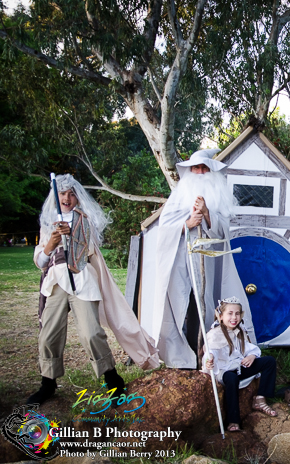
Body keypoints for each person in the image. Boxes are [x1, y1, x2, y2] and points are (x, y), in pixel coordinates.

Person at [29, 174, 159, 405]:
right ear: (56, 196)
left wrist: (72, 236)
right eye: (63, 193)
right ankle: (47, 383)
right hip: (57, 283)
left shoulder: (84, 219)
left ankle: (112, 379)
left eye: (72, 194)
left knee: (91, 333)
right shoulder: (48, 222)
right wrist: (50, 245)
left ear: (78, 197)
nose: (67, 198)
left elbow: (86, 251)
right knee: (49, 334)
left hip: (82, 281)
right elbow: (40, 262)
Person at [149, 148, 251, 368]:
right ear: (190, 170)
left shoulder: (218, 198)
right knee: (181, 307)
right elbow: (164, 229)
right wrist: (187, 224)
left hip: (209, 264)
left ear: (211, 171)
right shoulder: (178, 197)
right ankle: (181, 356)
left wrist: (206, 214)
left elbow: (224, 231)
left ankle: (203, 354)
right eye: (196, 168)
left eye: (205, 168)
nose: (200, 172)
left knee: (203, 306)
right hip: (181, 264)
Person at [203, 297, 277, 432]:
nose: (234, 317)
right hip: (224, 370)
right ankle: (233, 420)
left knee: (269, 362)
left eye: (237, 314)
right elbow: (210, 351)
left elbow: (249, 348)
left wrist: (252, 356)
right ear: (221, 316)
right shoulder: (215, 334)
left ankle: (260, 398)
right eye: (230, 313)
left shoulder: (240, 331)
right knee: (231, 379)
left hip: (238, 366)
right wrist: (210, 358)